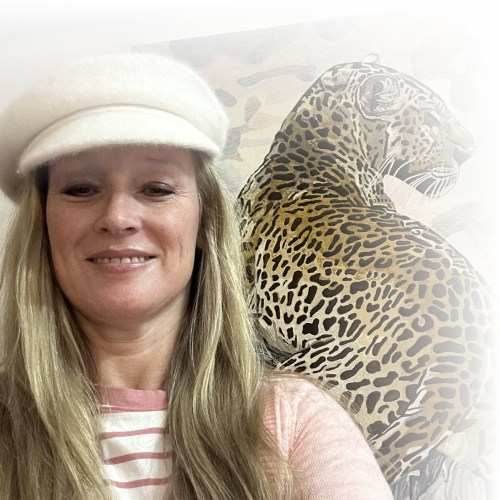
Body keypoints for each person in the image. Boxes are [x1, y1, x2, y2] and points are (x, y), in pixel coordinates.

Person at [0, 53, 393, 499]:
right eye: (81, 189)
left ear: (204, 223)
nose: (118, 217)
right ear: (43, 225)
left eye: (156, 189)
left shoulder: (293, 421)